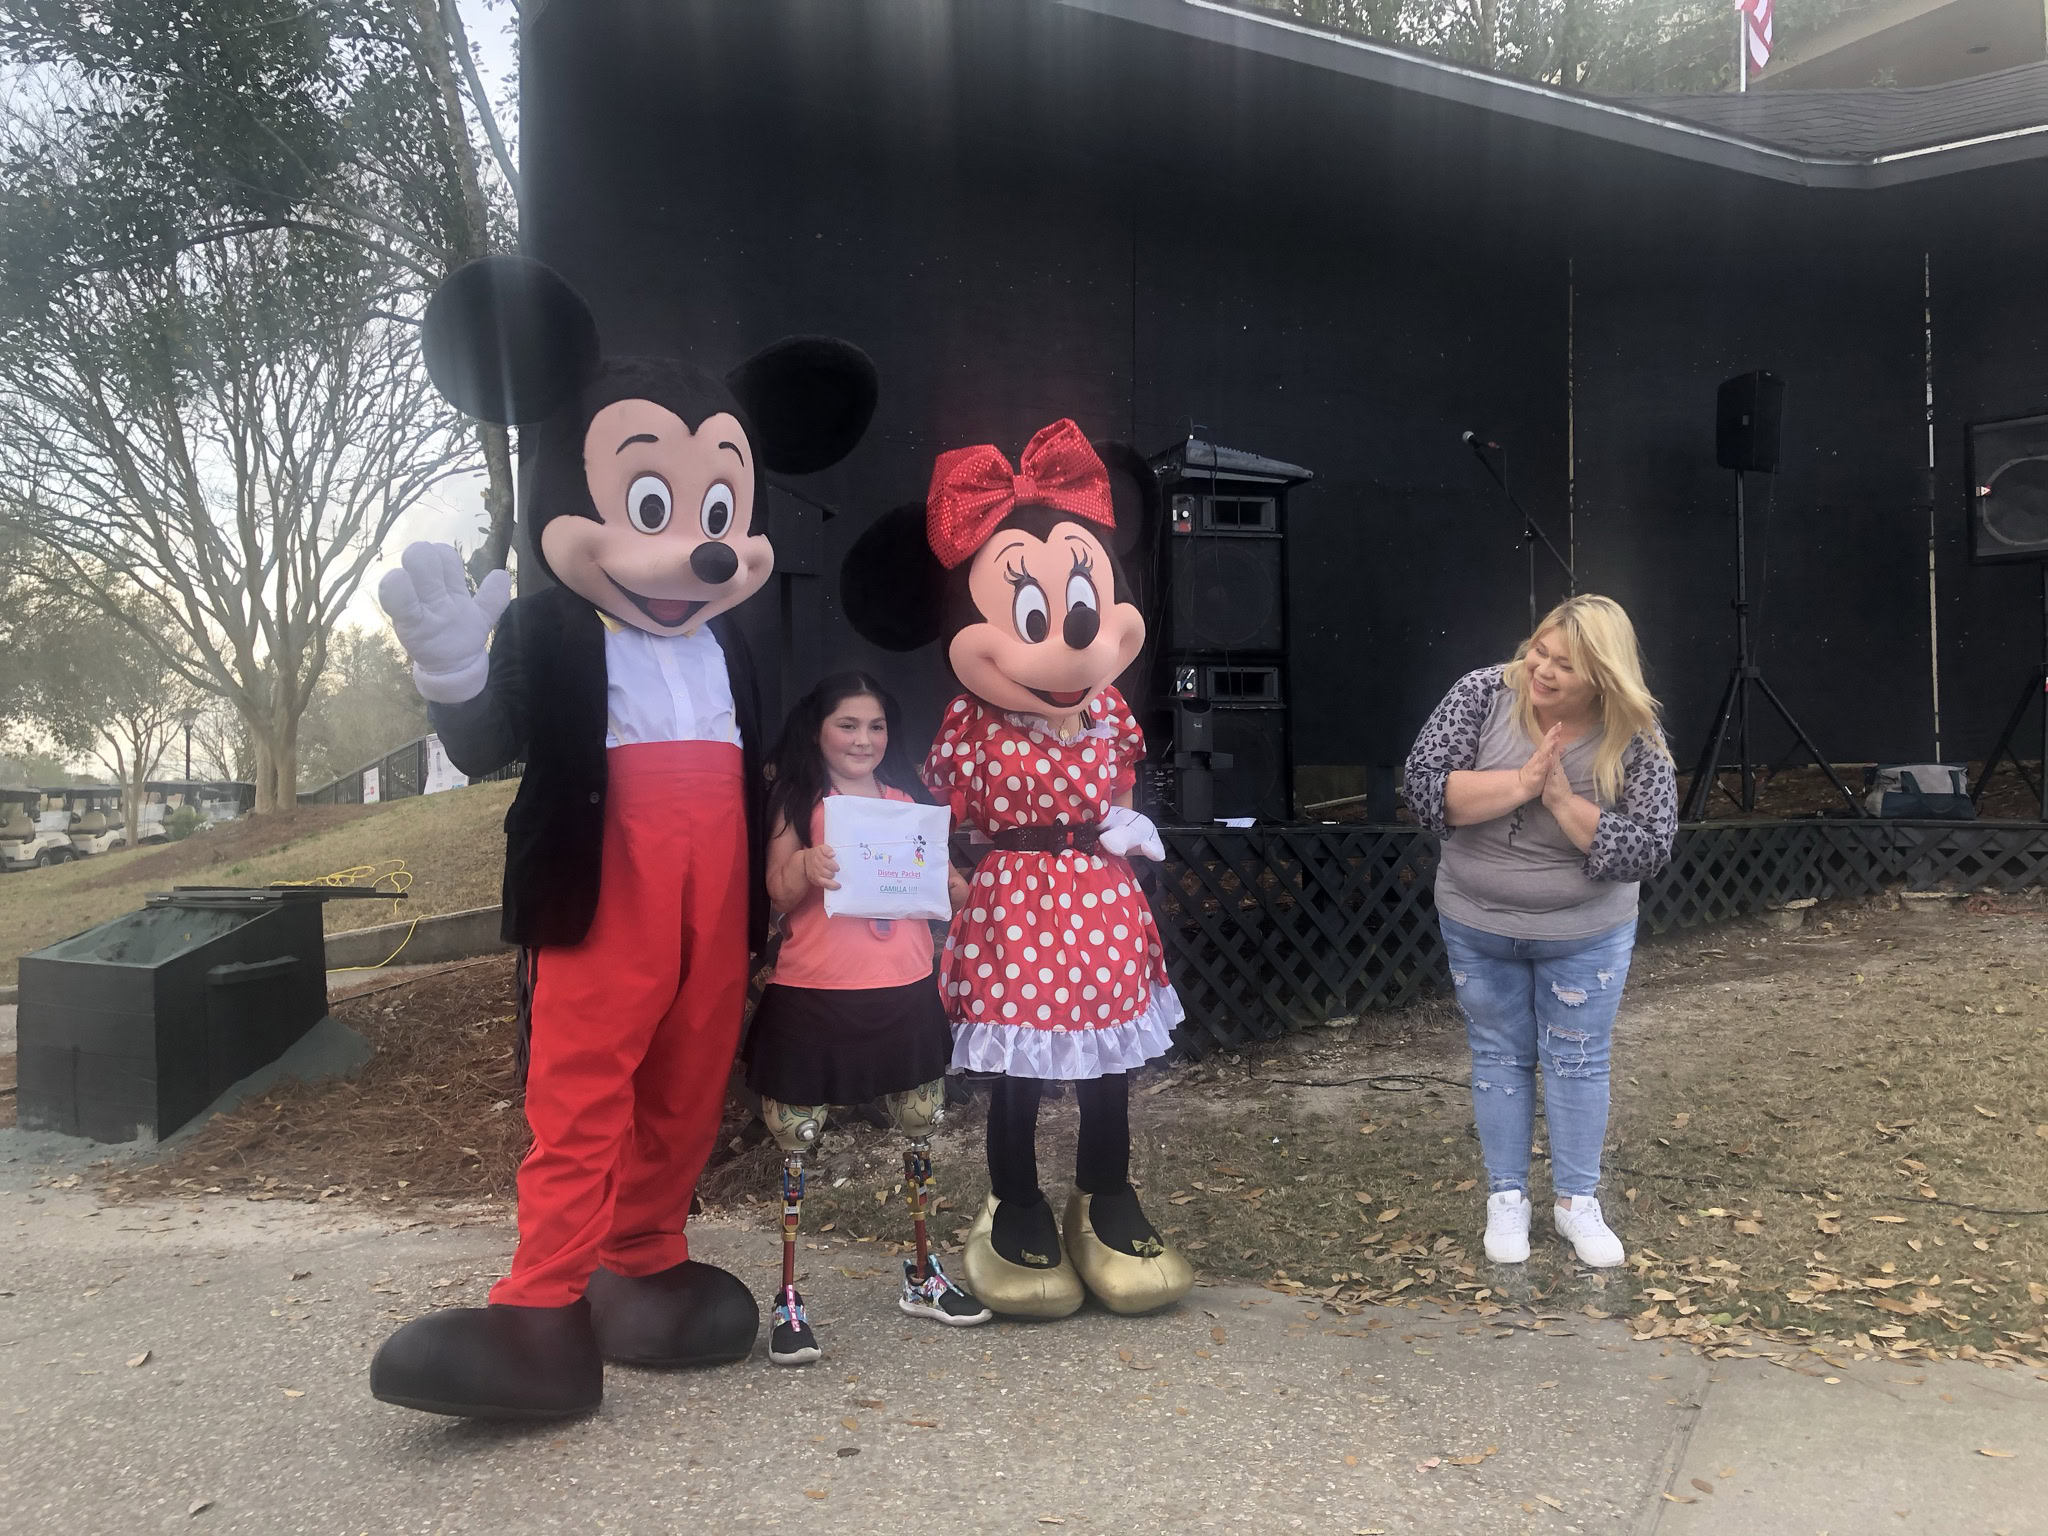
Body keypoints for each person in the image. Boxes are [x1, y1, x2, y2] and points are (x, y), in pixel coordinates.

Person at [839, 420, 1193, 1319]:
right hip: (1013, 901)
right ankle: (1016, 1203)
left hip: (1100, 900)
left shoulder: (1111, 712)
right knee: (1020, 1069)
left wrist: (1123, 826)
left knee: (1110, 1061)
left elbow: (1117, 781)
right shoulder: (970, 726)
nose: (1071, 642)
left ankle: (1105, 1196)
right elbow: (946, 814)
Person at [1402, 595, 1677, 1269]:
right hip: (1478, 923)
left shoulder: (1631, 735)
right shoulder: (1480, 695)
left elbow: (1649, 848)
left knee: (1578, 1061)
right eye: (1540, 651)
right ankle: (1507, 1198)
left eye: (1565, 665)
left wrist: (1561, 800)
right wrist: (1522, 782)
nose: (1542, 670)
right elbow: (1422, 789)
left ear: (1602, 678)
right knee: (1498, 1056)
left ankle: (1576, 1203)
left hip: (1586, 936)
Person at [745, 672, 993, 1364]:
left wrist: (951, 883)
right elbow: (777, 888)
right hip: (814, 992)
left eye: (875, 726)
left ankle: (923, 1273)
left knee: (920, 1129)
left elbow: (941, 883)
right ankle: (789, 1295)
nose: (862, 738)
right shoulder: (797, 799)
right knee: (796, 1141)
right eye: (847, 725)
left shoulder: (902, 802)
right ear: (819, 730)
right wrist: (807, 866)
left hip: (903, 988)